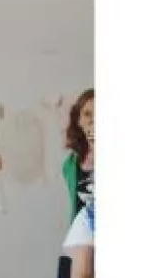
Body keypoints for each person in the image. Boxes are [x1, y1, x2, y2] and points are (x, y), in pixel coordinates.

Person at [61, 89, 94, 278]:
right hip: (84, 237)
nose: (92, 120)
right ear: (79, 121)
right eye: (87, 114)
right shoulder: (71, 164)